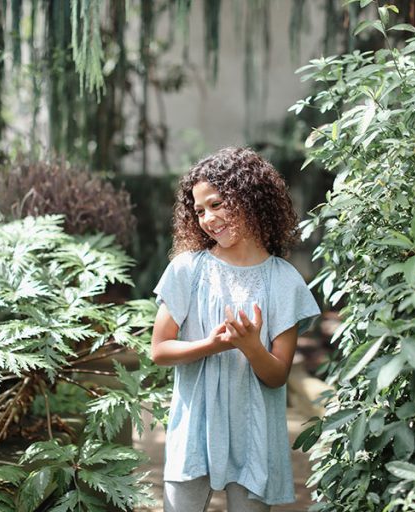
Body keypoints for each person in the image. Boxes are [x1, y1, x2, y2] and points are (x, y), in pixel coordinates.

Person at [151, 146, 321, 511]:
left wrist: (251, 347)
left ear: (250, 197)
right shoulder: (187, 270)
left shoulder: (284, 281)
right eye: (199, 210)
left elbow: (277, 375)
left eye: (216, 204)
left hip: (254, 436)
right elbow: (159, 350)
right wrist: (212, 345)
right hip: (194, 431)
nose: (208, 218)